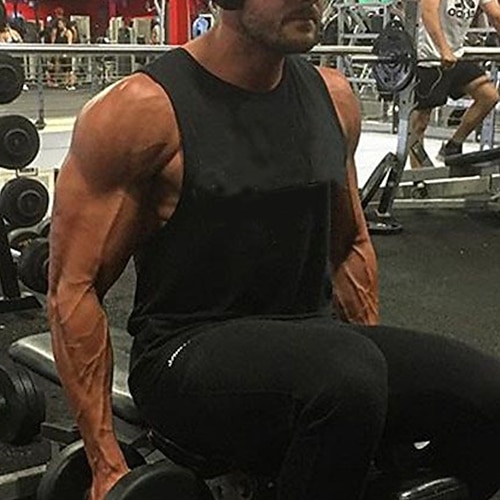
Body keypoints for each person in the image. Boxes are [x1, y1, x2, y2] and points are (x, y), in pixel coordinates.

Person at [48, 1, 500, 500]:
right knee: (345, 380)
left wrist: (380, 393)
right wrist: (106, 464)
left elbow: (349, 245)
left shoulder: (333, 98)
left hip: (322, 352)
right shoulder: (142, 111)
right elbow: (74, 288)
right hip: (184, 355)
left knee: (487, 393)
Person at [410, 0, 500, 168]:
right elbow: (428, 11)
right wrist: (443, 49)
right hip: (428, 57)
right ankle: (417, 174)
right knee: (420, 121)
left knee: (488, 96)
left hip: (456, 54)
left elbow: (496, 15)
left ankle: (453, 146)